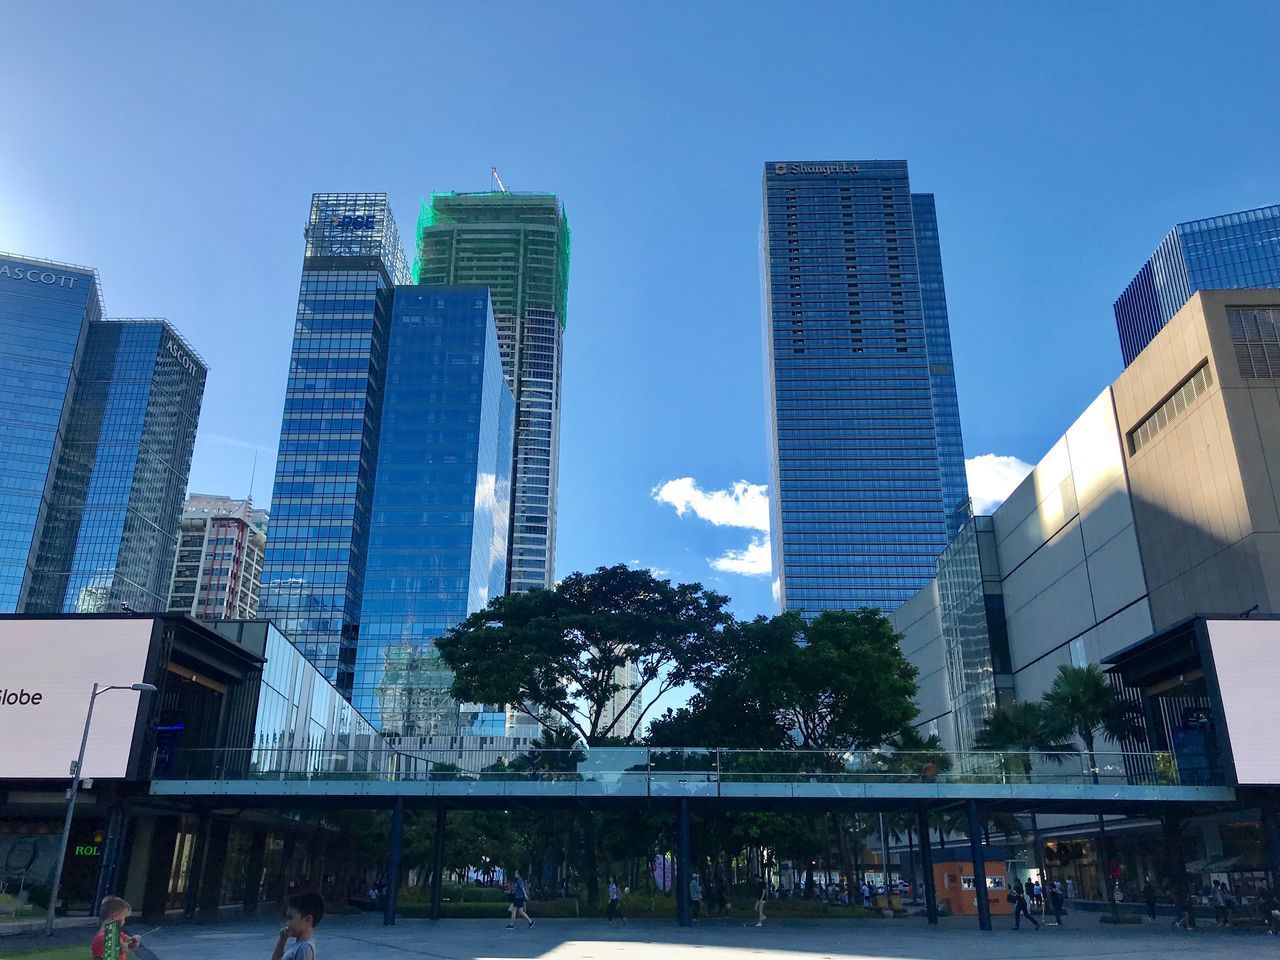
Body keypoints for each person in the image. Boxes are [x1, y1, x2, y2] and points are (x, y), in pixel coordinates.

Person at [271, 892, 324, 960]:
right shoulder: (300, 946)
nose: (287, 923)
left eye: (290, 918)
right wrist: (282, 940)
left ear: (308, 920)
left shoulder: (304, 947)